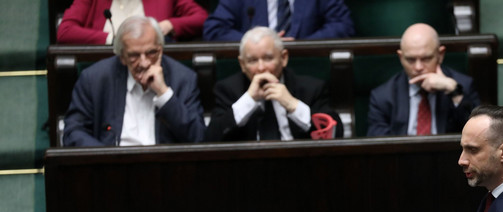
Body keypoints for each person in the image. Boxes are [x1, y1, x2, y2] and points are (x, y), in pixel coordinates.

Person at [63, 16, 206, 146]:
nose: (144, 63)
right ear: (122, 57)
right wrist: (106, 160)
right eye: (134, 56)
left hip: (165, 169)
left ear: (161, 50)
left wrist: (164, 94)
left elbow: (198, 137)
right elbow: (73, 132)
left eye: (151, 53)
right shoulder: (95, 79)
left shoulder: (183, 78)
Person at [205, 26, 342, 142]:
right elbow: (211, 138)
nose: (260, 68)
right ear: (242, 64)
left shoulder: (311, 88)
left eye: (268, 58)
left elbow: (336, 133)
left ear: (283, 58)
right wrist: (248, 100)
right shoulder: (228, 89)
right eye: (252, 60)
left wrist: (293, 105)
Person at [367, 23, 480, 137]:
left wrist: (454, 90)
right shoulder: (382, 97)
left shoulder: (463, 85)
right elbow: (378, 145)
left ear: (440, 55)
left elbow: (479, 135)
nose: (418, 67)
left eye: (426, 59)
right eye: (410, 60)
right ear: (401, 57)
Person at [57, 0, 208, 44]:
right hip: (101, 70)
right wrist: (114, 39)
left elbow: (202, 18)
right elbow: (65, 31)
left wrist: (169, 25)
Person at [202, 0, 354, 41]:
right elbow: (214, 29)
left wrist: (302, 45)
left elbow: (343, 25)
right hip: (254, 71)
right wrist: (259, 42)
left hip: (305, 67)